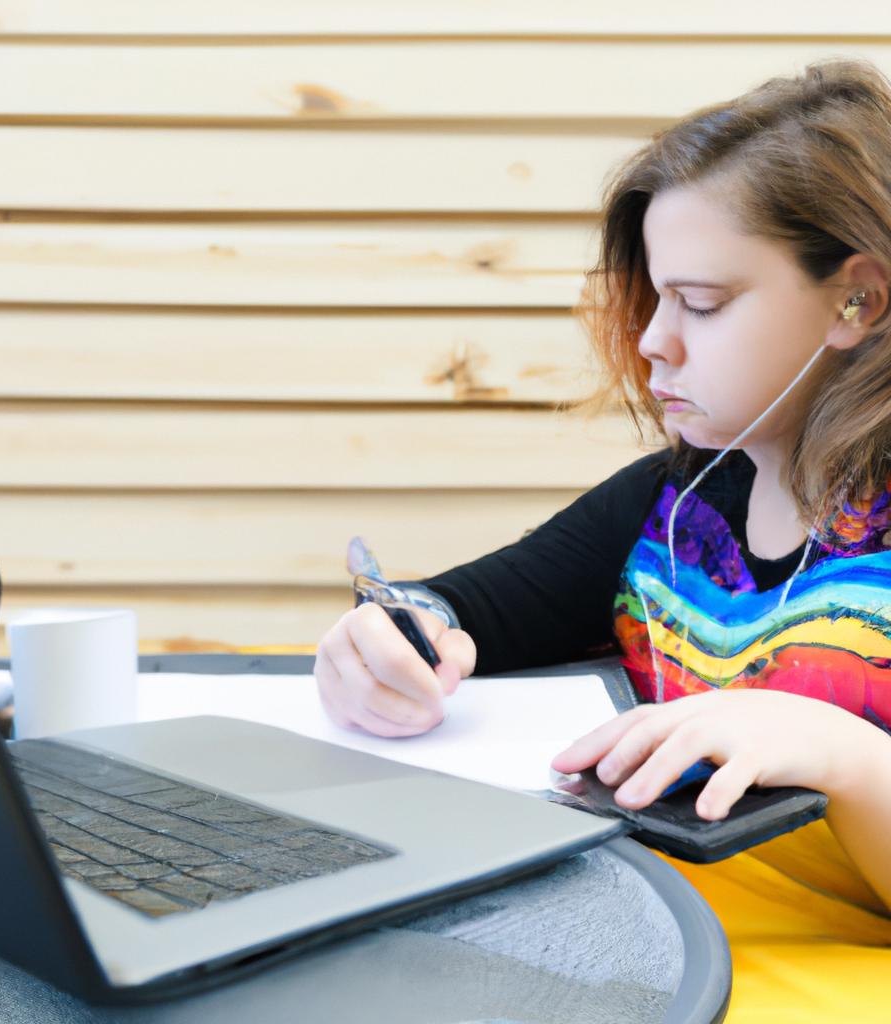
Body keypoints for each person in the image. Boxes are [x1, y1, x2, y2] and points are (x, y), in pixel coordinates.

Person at [314, 58, 891, 1020]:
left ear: (856, 301)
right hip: (628, 945)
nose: (654, 342)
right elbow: (467, 610)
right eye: (656, 299)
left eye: (701, 304)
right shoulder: (676, 498)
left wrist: (845, 752)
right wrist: (394, 640)